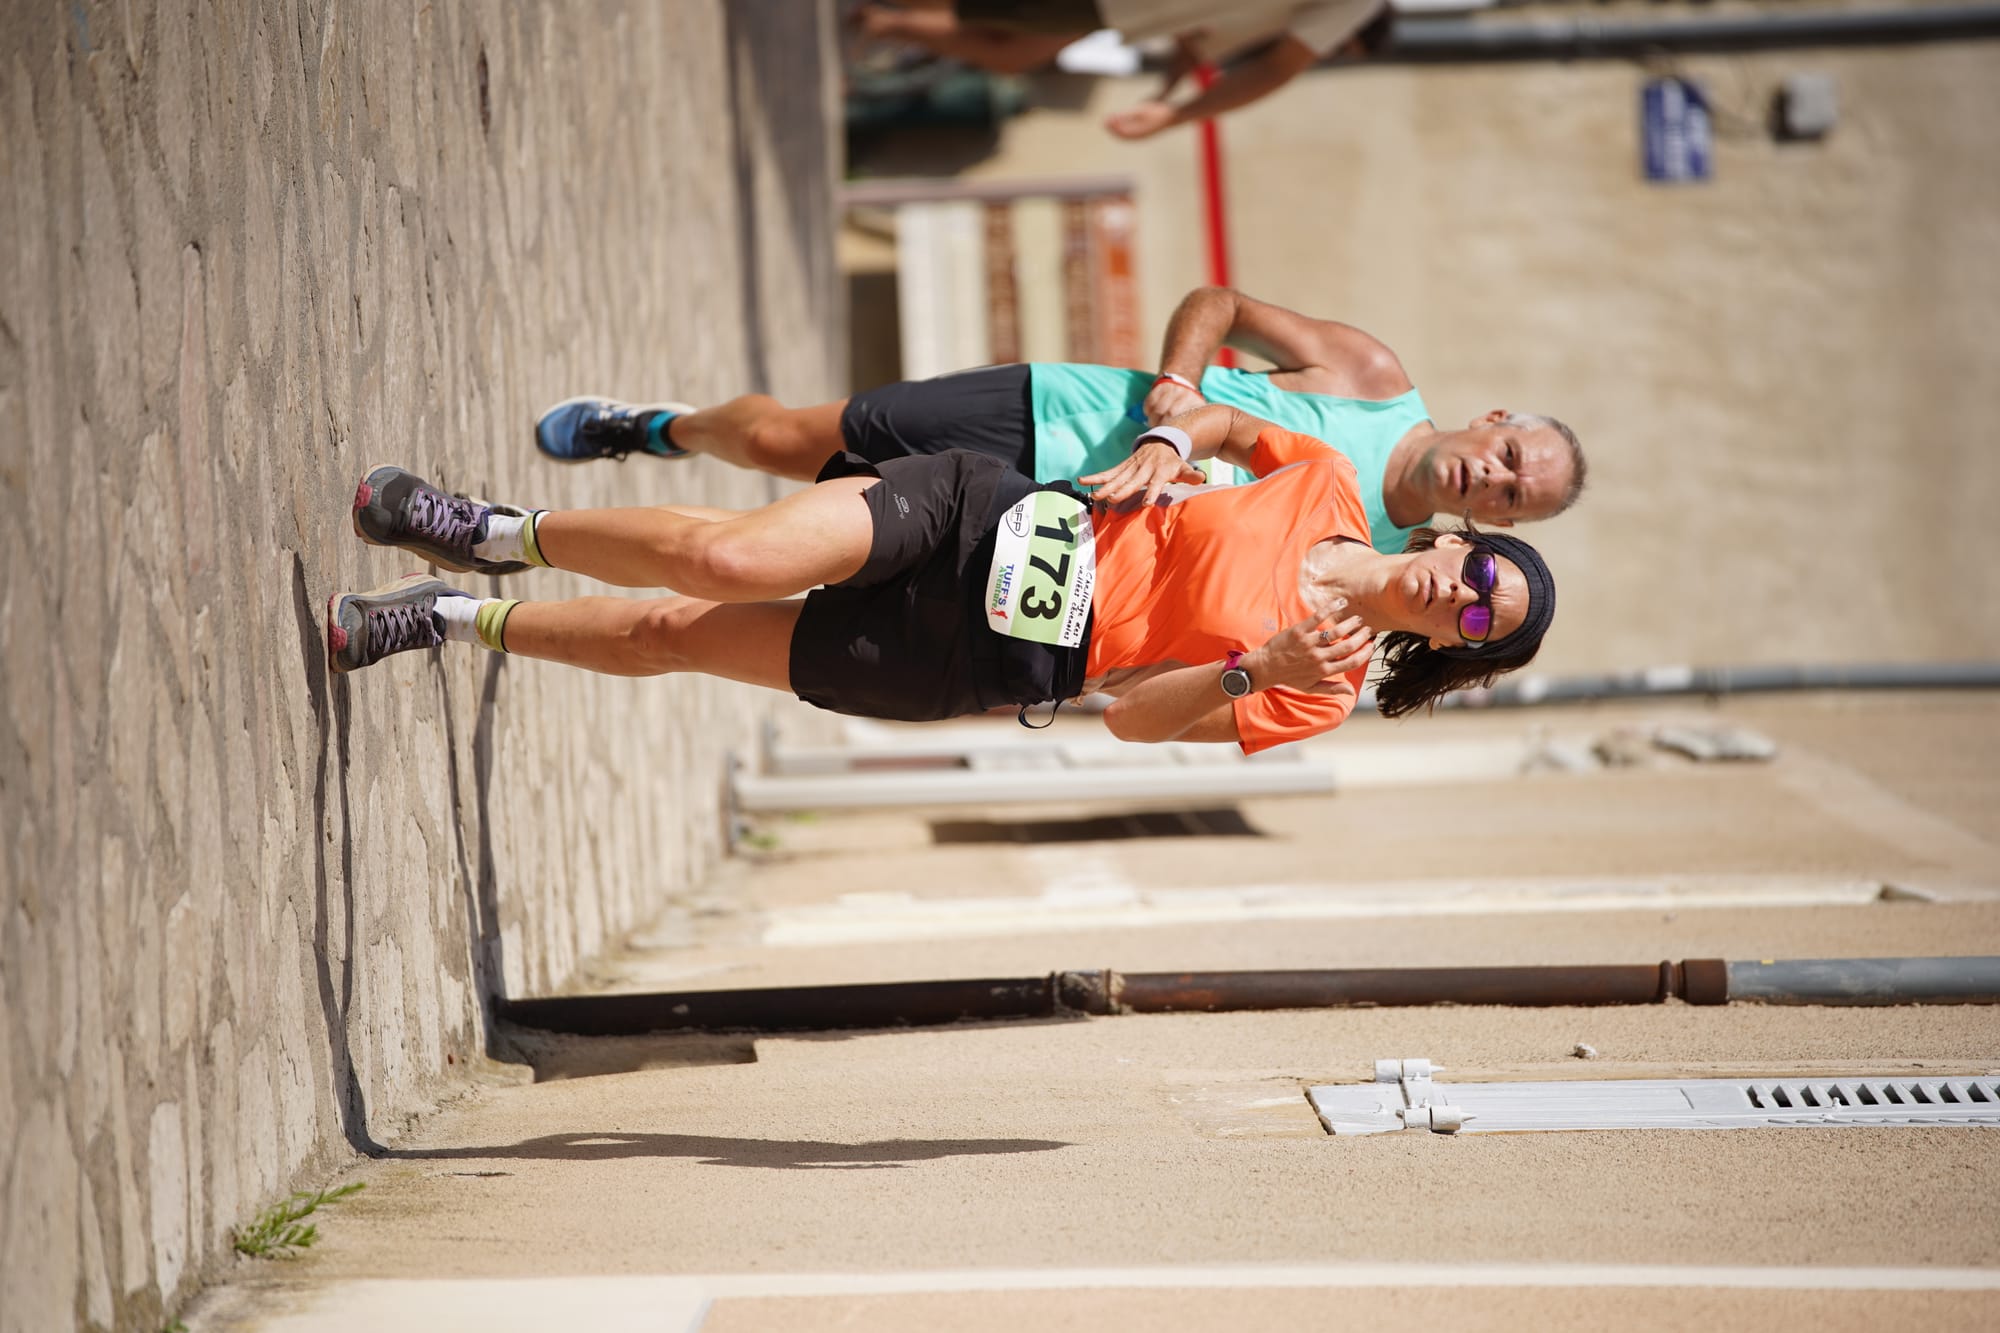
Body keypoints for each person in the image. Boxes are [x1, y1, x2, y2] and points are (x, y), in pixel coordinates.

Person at [328, 404, 1556, 754]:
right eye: (1479, 575)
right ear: (1457, 539)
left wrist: (1251, 666)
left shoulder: (1318, 693)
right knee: (727, 556)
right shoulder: (1331, 484)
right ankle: (490, 525)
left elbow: (1130, 720)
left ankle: (446, 616)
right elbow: (1222, 421)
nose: (1459, 597)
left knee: (672, 631)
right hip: (990, 520)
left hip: (985, 657)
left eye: (1475, 626)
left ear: (1457, 648)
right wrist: (1163, 444)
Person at [533, 285, 1587, 557]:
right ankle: (661, 428)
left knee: (801, 532)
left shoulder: (1379, 555)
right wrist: (1177, 384)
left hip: (1058, 525)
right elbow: (1213, 304)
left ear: (1498, 524)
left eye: (1511, 499)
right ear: (1489, 419)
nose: (1490, 482)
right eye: (1505, 457)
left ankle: (570, 538)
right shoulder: (1369, 372)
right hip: (1050, 408)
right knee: (780, 445)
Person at [849, 1, 1393, 140]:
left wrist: (1166, 98)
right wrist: (1174, 114)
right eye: (1339, 50)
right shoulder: (1356, 4)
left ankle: (882, 22)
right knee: (1006, 32)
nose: (1323, 54)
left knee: (1016, 49)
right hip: (1117, 9)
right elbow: (1276, 70)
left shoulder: (1274, 15)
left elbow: (1195, 40)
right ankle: (884, 21)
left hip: (1119, 13)